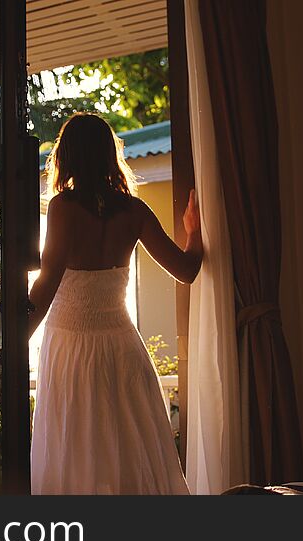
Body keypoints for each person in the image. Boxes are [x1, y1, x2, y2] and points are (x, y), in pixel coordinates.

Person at [27, 113, 203, 495]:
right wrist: (194, 234)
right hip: (122, 345)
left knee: (77, 454)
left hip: (70, 349)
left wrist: (13, 340)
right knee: (126, 453)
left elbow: (46, 285)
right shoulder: (133, 211)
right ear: (109, 155)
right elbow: (186, 270)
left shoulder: (63, 208)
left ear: (67, 156)